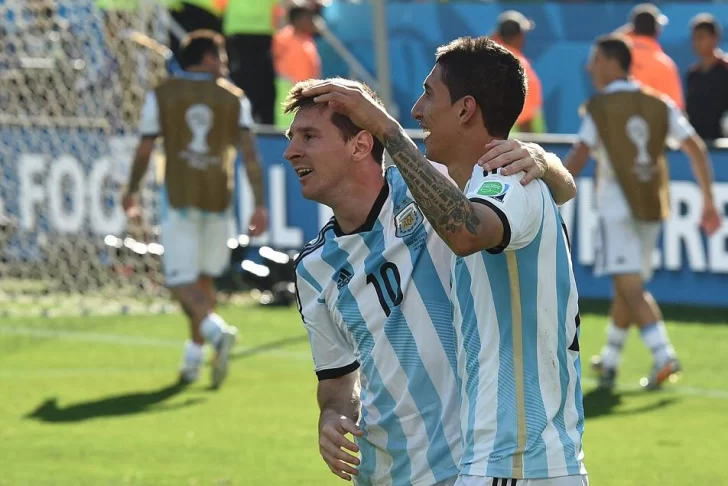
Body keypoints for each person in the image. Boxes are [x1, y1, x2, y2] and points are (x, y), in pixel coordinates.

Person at [298, 36, 586, 486]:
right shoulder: (480, 188)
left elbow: (467, 231)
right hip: (489, 462)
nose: (417, 111)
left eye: (429, 94)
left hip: (514, 463)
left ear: (466, 108)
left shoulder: (504, 183)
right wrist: (545, 163)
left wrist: (389, 131)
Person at [563, 35, 720, 390]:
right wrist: (708, 199)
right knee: (627, 284)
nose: (590, 67)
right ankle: (610, 360)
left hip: (617, 207)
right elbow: (695, 146)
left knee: (629, 286)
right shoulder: (658, 102)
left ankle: (664, 356)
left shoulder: (600, 106)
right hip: (652, 206)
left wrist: (545, 187)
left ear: (612, 62)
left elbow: (579, 156)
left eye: (595, 60)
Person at [122, 30, 268, 388]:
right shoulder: (233, 97)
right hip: (219, 200)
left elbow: (145, 149)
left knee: (178, 279)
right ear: (206, 58)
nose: (225, 64)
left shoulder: (163, 94)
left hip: (180, 198)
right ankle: (193, 356)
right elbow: (250, 155)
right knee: (203, 279)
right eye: (221, 56)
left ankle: (216, 332)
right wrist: (260, 204)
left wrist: (131, 190)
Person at [615, 3, 684, 110]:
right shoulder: (664, 64)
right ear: (657, 31)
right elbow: (676, 107)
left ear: (632, 29)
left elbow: (611, 43)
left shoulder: (617, 57)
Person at [492, 10, 544, 133]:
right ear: (519, 36)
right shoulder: (517, 65)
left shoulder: (491, 61)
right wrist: (528, 143)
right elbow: (525, 114)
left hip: (499, 138)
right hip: (518, 139)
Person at [686, 13, 728, 141]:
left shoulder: (725, 69)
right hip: (698, 142)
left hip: (722, 145)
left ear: (715, 38)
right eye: (694, 38)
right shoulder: (693, 74)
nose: (696, 43)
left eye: (701, 37)